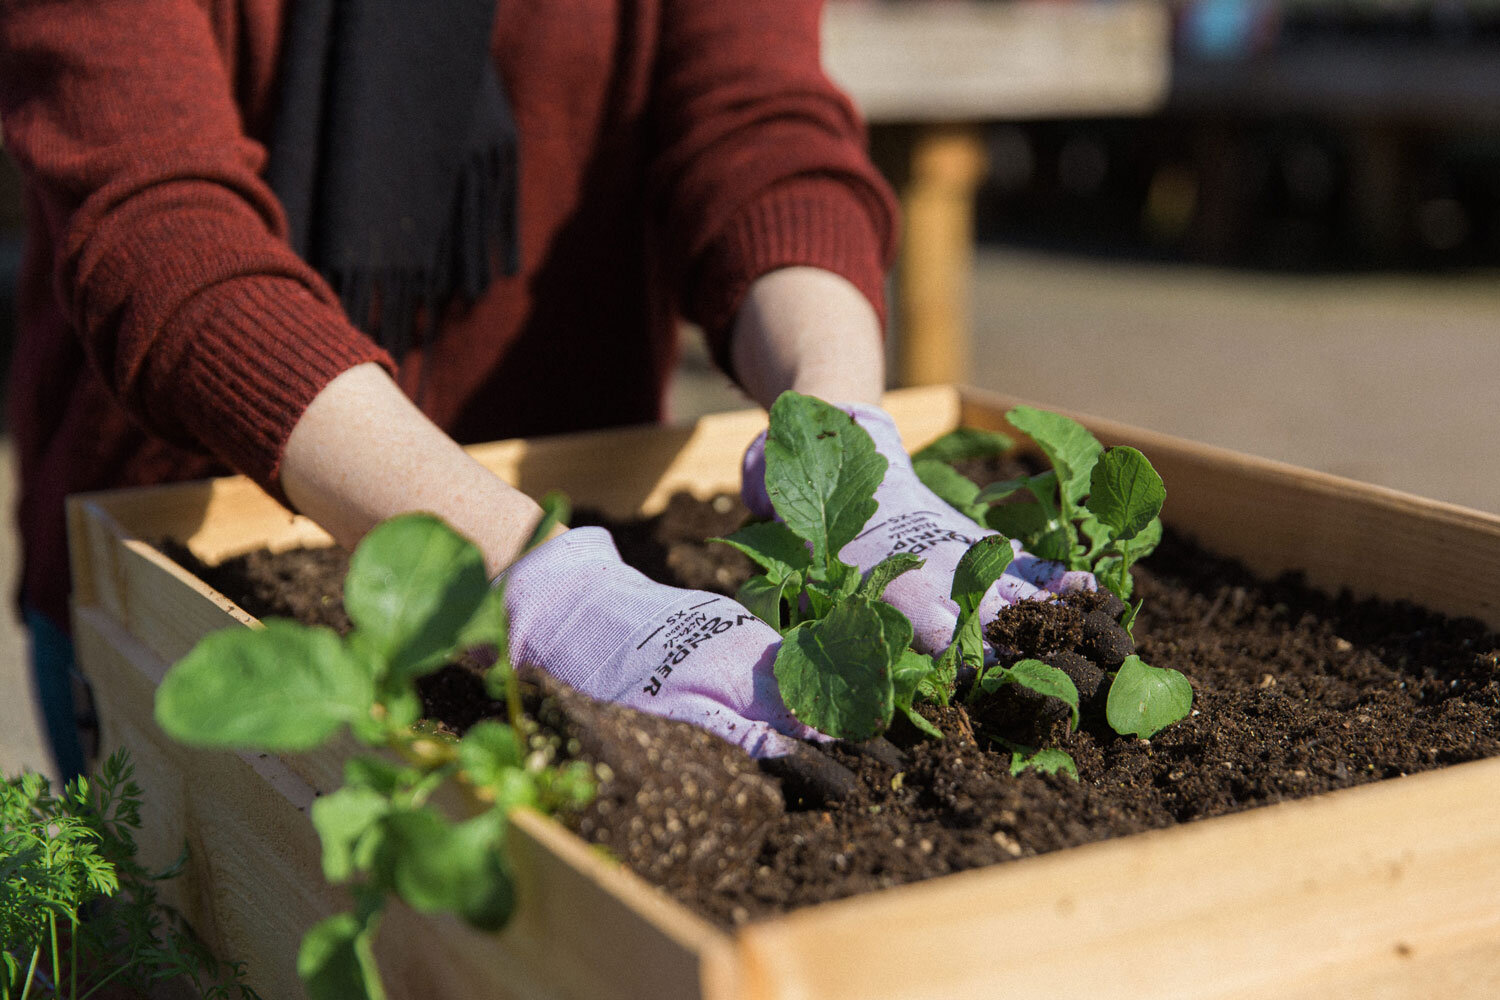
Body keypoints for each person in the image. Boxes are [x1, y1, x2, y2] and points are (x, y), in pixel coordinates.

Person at [0, 1, 1080, 779]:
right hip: (195, 518)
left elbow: (756, 129)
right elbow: (159, 225)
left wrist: (842, 437)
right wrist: (540, 583)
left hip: (572, 469)